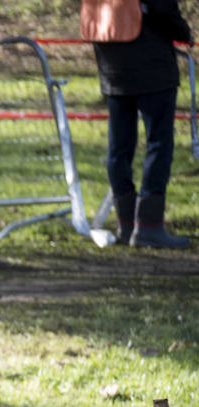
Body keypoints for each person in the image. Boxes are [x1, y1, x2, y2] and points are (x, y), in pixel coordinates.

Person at [89, 0, 193, 248]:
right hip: (150, 59)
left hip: (111, 57)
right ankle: (148, 225)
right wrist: (183, 31)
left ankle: (127, 224)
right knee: (158, 142)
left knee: (119, 145)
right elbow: (162, 9)